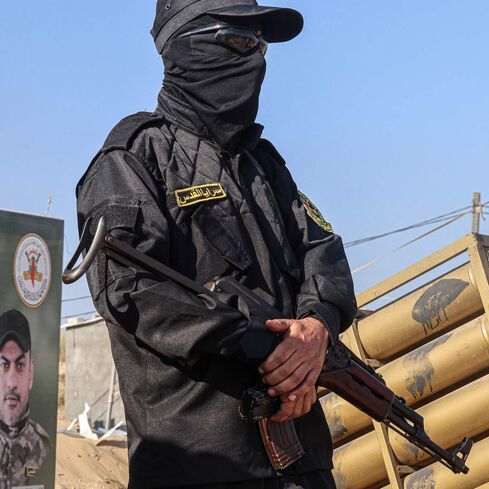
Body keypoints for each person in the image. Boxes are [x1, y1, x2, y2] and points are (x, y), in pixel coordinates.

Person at [75, 1, 357, 488]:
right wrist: (258, 344)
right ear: (188, 47)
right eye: (242, 43)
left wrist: (315, 328)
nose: (257, 60)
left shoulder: (264, 163)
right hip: (200, 467)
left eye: (262, 47)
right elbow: (127, 290)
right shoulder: (134, 159)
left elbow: (324, 252)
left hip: (300, 462)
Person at [0, 309, 50, 488]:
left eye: (20, 365)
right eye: (4, 364)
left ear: (31, 373)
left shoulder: (44, 447)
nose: (12, 382)